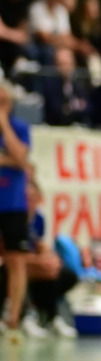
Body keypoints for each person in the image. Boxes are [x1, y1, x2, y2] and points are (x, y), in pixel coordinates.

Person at [19, 179, 78, 338]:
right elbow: (12, 254)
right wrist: (38, 262)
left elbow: (40, 245)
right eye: (27, 198)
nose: (30, 202)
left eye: (34, 198)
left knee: (62, 274)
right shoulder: (12, 220)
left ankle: (51, 318)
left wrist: (50, 259)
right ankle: (25, 317)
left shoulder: (38, 219)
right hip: (15, 264)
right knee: (21, 273)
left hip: (31, 264)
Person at [0, 80, 31, 341]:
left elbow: (22, 159)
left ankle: (14, 316)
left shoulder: (19, 128)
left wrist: (3, 122)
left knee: (17, 260)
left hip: (13, 204)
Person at [41, 47, 90, 127]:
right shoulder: (50, 84)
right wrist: (75, 105)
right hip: (55, 126)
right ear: (56, 65)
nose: (66, 68)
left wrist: (69, 107)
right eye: (62, 64)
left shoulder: (79, 84)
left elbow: (88, 107)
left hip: (77, 126)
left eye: (69, 63)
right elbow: (56, 110)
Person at [0, 0, 32, 79]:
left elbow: (24, 35)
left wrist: (11, 34)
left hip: (14, 50)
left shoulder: (22, 4)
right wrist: (14, 35)